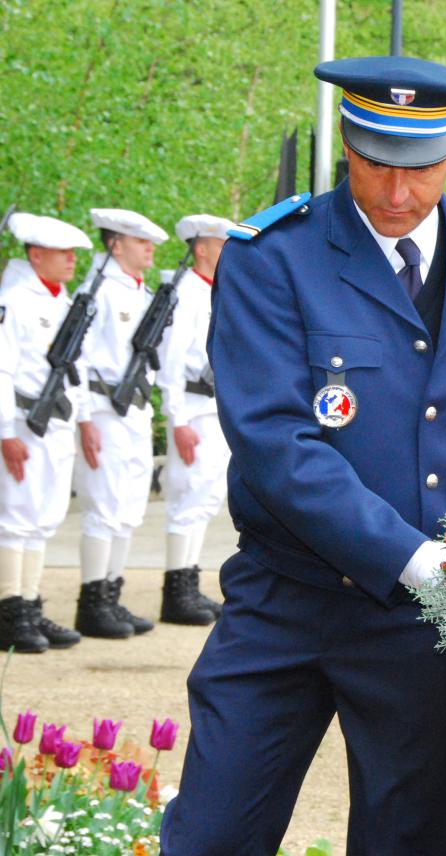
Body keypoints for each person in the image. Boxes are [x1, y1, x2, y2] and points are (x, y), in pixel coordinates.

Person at [159, 56, 446, 855]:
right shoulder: (271, 255)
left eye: (421, 167)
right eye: (375, 164)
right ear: (346, 144)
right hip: (285, 602)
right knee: (213, 832)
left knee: (409, 838)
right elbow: (279, 443)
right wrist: (412, 557)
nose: (397, 194)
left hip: (425, 624)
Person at [74, 208, 168, 640]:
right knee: (104, 507)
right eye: (139, 240)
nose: (149, 248)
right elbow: (77, 357)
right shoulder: (99, 293)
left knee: (128, 507)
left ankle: (111, 594)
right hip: (103, 409)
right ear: (115, 245)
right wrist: (86, 418)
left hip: (132, 409)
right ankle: (92, 601)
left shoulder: (138, 291)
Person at [0, 213, 93, 653]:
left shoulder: (61, 301)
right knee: (14, 519)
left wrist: (83, 420)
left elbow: (77, 372)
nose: (73, 260)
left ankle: (29, 603)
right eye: (64, 253)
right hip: (21, 424)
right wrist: (4, 431)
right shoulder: (14, 300)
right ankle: (8, 608)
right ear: (36, 255)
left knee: (41, 518)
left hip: (55, 425)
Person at [154, 214, 236, 626]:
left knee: (204, 498)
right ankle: (175, 592)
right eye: (221, 244)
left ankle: (187, 582)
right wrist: (178, 418)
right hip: (191, 407)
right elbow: (168, 363)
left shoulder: (212, 291)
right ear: (201, 248)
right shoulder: (184, 293)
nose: (227, 252)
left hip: (211, 408)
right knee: (186, 499)